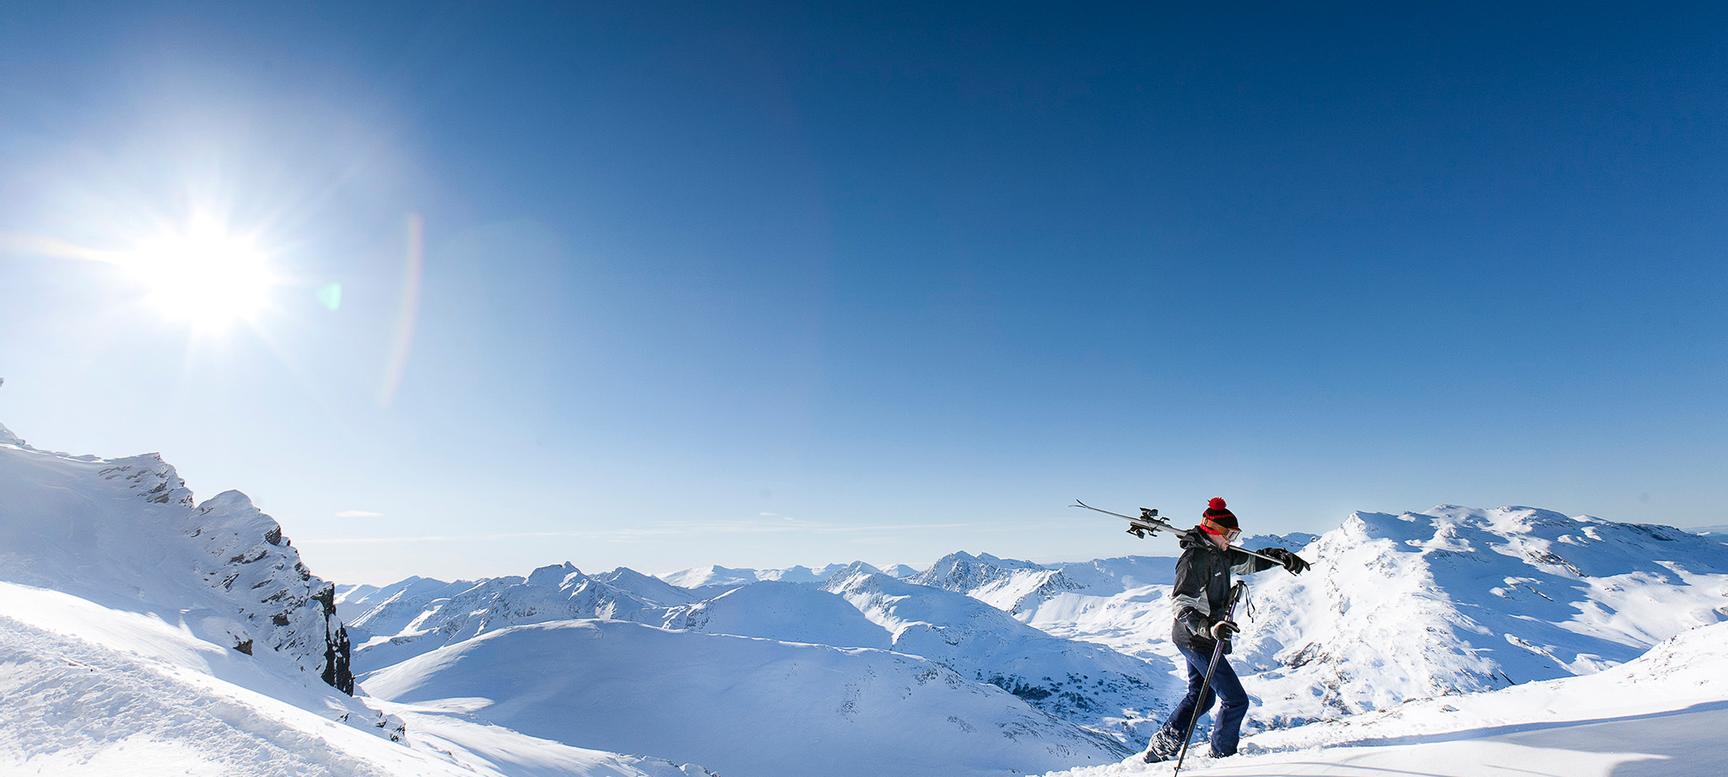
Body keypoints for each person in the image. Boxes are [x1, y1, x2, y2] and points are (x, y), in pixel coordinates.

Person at [1142, 496, 1310, 763]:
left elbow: (1250, 561)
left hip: (1204, 636)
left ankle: (1161, 746)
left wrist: (1280, 557)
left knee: (1201, 697)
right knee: (1235, 700)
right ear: (1213, 530)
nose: (1232, 538)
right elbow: (1181, 603)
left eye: (1235, 533)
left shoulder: (1219, 554)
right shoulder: (1194, 559)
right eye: (1229, 533)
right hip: (1195, 637)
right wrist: (1208, 628)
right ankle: (1224, 758)